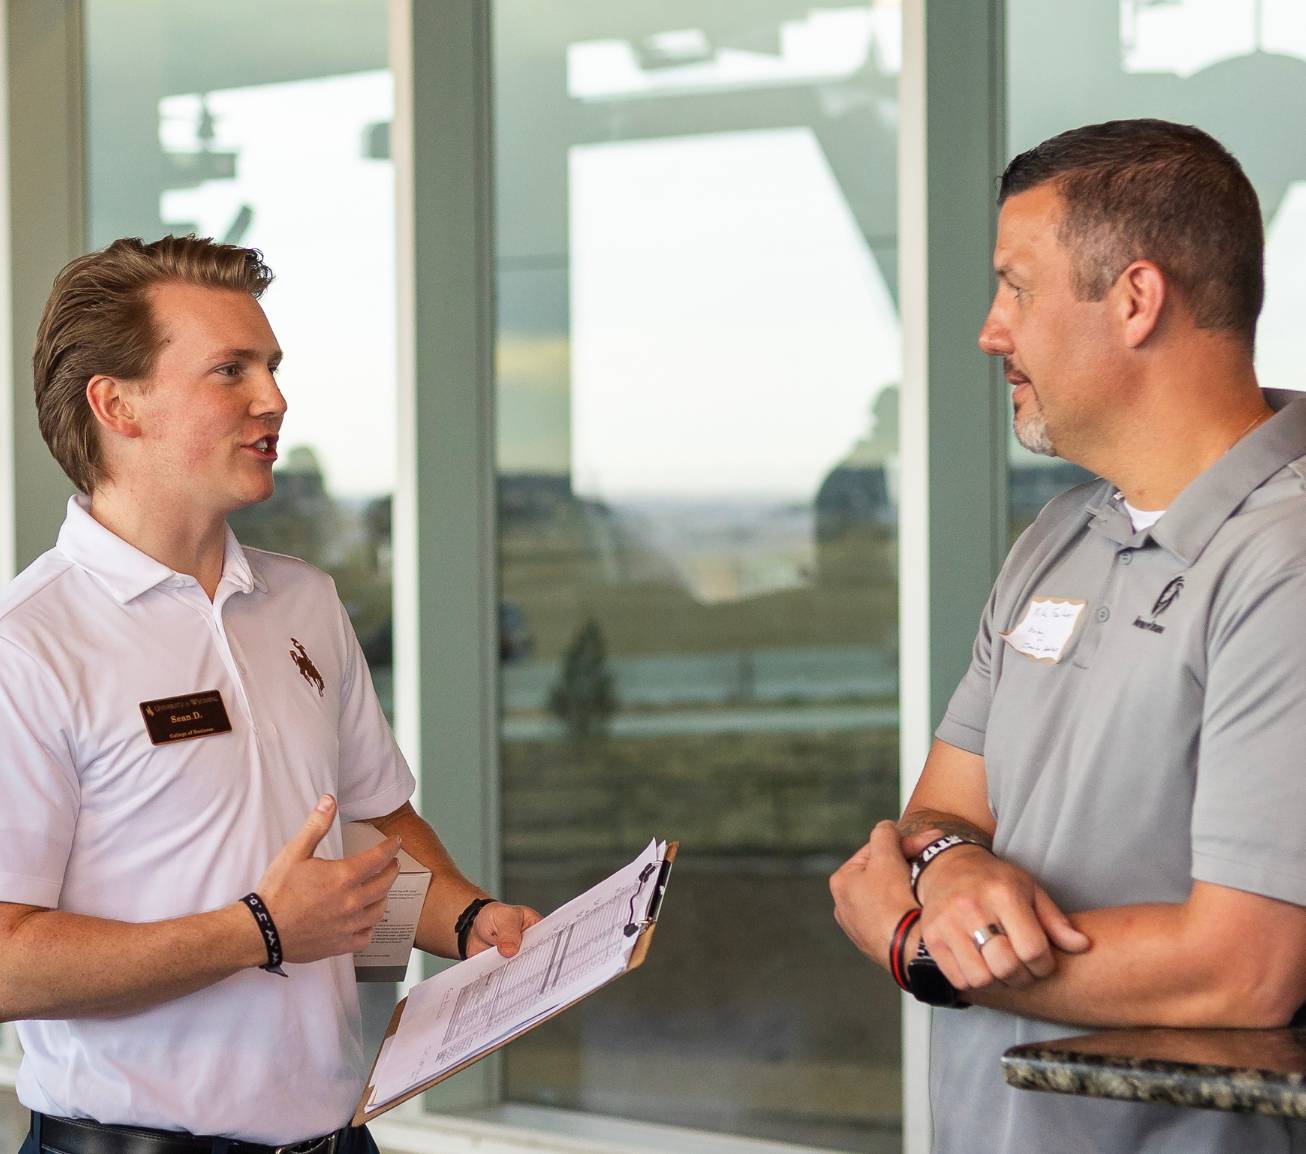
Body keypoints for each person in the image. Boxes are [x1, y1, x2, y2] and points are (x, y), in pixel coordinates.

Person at [0, 235, 541, 1154]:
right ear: (116, 404)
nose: (274, 400)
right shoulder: (30, 645)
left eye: (273, 366)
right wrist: (258, 930)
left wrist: (473, 923)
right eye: (230, 370)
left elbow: (369, 832)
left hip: (336, 1140)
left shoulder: (302, 600)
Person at [830, 118, 1306, 1153]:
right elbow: (940, 810)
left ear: (1135, 299)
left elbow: (1247, 966)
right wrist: (952, 867)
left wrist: (924, 950)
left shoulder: (1287, 556)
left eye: (1017, 286)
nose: (990, 329)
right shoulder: (1059, 535)